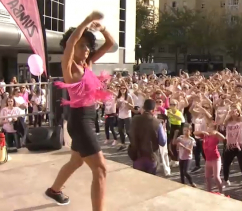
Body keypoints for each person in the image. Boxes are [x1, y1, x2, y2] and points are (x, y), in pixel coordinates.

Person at [45, 11, 114, 211]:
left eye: (87, 46)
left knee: (76, 161)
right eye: (81, 45)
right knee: (100, 169)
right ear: (73, 46)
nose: (86, 49)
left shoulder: (88, 64)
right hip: (79, 119)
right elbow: (69, 44)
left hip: (90, 116)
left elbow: (109, 44)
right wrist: (85, 21)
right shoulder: (69, 67)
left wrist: (102, 29)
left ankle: (54, 190)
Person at [129, 99, 166, 175]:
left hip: (137, 155)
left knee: (138, 180)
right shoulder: (157, 123)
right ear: (153, 110)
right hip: (151, 156)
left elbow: (130, 134)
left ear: (143, 108)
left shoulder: (135, 119)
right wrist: (164, 130)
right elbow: (162, 142)